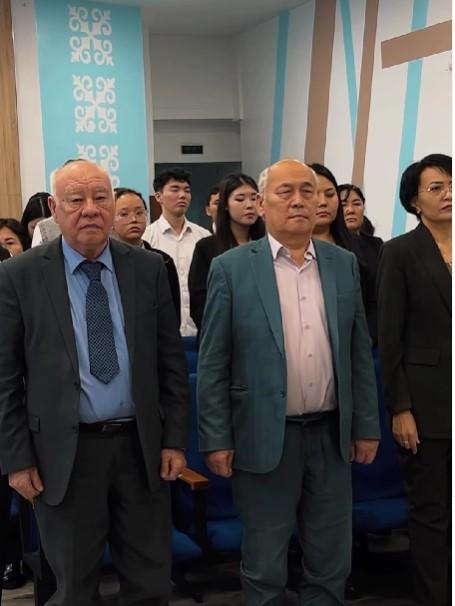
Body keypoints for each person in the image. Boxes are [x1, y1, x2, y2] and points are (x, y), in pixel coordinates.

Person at [0, 159, 189, 606]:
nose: (90, 208)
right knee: (73, 590)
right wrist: (17, 460)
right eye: (76, 199)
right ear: (54, 208)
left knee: (151, 584)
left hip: (141, 451)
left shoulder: (147, 268)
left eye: (100, 197)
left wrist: (174, 440)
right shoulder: (19, 275)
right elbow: (5, 378)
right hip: (64, 457)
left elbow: (171, 364)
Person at [198, 159, 380, 606]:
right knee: (265, 562)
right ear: (262, 204)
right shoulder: (231, 268)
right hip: (264, 435)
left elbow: (358, 353)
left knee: (331, 558)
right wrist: (216, 438)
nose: (298, 201)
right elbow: (214, 362)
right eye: (285, 192)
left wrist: (366, 425)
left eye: (307, 191)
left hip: (331, 435)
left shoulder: (343, 264)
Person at [377, 153, 451, 606]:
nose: (448, 194)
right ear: (414, 202)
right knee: (432, 514)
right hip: (427, 404)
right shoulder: (401, 252)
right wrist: (400, 407)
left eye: (453, 184)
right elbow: (390, 337)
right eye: (436, 188)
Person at [188, 173, 265, 332]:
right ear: (225, 205)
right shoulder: (206, 248)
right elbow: (199, 304)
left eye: (254, 198)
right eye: (240, 199)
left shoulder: (268, 245)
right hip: (223, 334)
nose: (249, 205)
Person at [143, 168, 210, 337]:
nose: (182, 195)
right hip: (163, 333)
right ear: (158, 197)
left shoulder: (204, 237)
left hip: (201, 331)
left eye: (186, 190)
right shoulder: (147, 238)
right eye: (175, 189)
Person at [113, 187, 181, 323]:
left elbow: (172, 316)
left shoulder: (163, 261)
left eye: (139, 213)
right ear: (110, 219)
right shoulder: (103, 261)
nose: (134, 219)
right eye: (124, 214)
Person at [339, 183, 383, 345]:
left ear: (363, 208)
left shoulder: (376, 245)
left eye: (356, 204)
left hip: (373, 334)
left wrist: (371, 335)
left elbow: (381, 293)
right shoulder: (331, 247)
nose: (350, 210)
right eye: (343, 205)